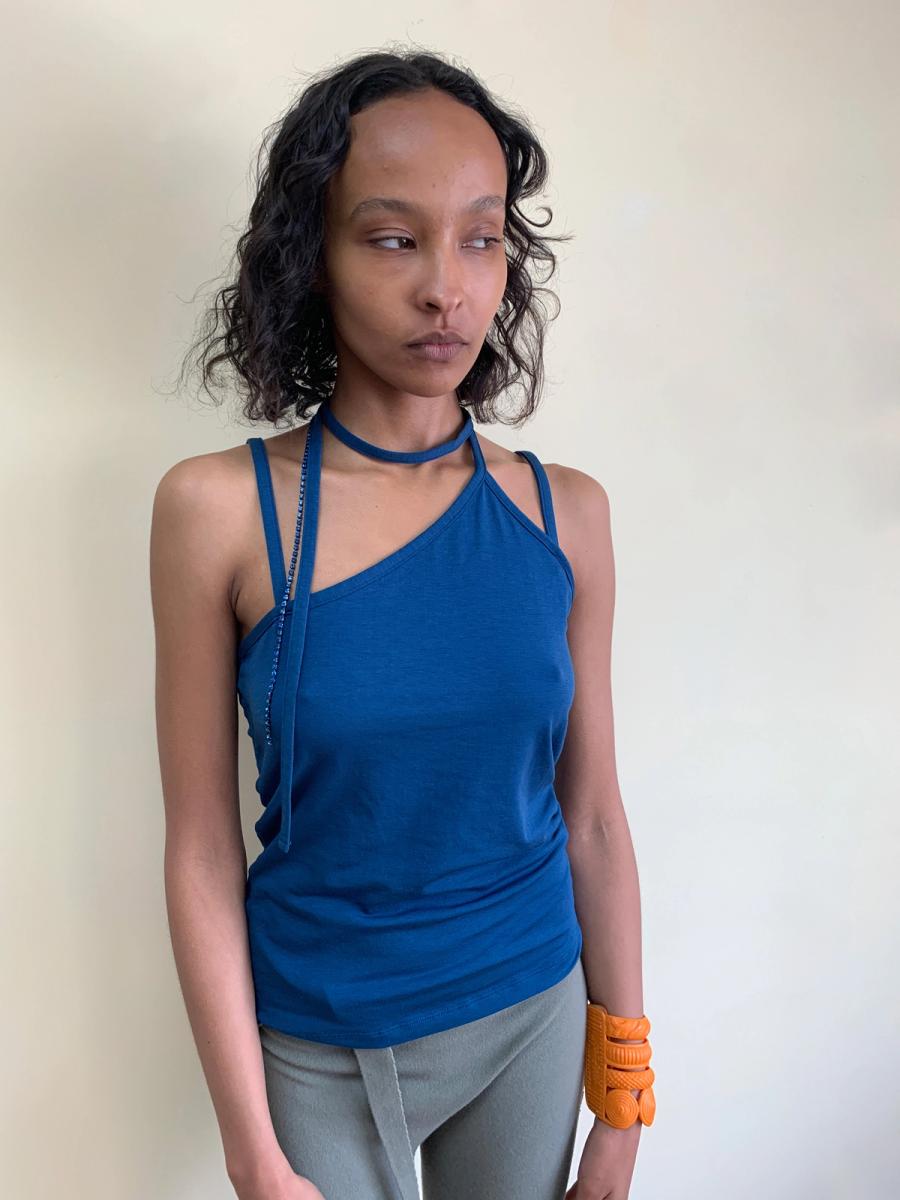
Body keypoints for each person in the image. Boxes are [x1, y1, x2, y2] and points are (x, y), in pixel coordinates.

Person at [151, 47, 654, 1200]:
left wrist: (623, 1101)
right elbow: (200, 846)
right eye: (392, 239)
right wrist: (251, 1152)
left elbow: (593, 820)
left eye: (481, 238)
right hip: (317, 1040)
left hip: (531, 1009)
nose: (446, 288)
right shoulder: (220, 511)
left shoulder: (566, 515)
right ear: (312, 258)